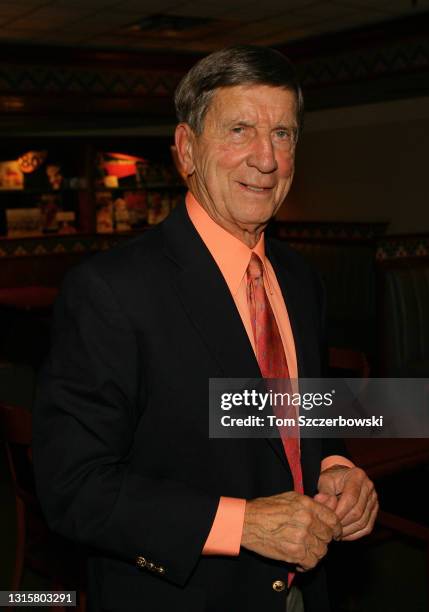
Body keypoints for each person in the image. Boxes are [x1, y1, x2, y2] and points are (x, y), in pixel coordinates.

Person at [33, 45, 378, 612]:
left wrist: (337, 468)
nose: (266, 159)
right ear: (186, 150)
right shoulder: (112, 292)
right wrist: (241, 524)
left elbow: (302, 419)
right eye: (240, 129)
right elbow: (74, 489)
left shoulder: (300, 280)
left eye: (284, 135)